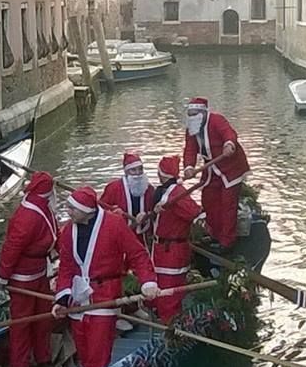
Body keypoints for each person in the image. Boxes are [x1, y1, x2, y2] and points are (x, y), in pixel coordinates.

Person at [52, 186, 158, 367]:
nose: (68, 212)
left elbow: (138, 254)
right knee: (84, 352)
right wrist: (62, 299)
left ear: (86, 211)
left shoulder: (114, 224)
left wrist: (148, 282)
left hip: (105, 295)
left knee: (98, 352)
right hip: (78, 298)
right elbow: (66, 268)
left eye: (72, 208)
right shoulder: (68, 231)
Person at [0, 171, 58, 367]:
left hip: (40, 272)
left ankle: (43, 358)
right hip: (23, 279)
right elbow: (12, 247)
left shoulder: (41, 208)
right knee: (22, 322)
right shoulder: (28, 216)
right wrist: (2, 276)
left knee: (43, 318)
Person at [183, 97, 249, 249]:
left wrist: (229, 144)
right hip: (211, 169)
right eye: (190, 114)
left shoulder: (217, 120)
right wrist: (188, 167)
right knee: (208, 200)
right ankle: (215, 234)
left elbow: (229, 133)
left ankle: (227, 241)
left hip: (230, 166)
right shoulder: (192, 128)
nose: (192, 117)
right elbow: (190, 149)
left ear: (203, 112)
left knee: (228, 204)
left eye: (194, 114)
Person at [150, 155, 203, 322]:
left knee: (169, 289)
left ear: (161, 174)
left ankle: (169, 325)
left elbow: (195, 213)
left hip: (170, 251)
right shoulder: (170, 192)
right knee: (167, 288)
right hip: (166, 249)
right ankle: (165, 316)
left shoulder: (175, 195)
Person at [101, 152, 155, 244]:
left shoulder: (149, 189)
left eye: (140, 169)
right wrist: (113, 214)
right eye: (133, 170)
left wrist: (146, 215)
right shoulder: (113, 188)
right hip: (119, 236)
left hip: (142, 236)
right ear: (126, 172)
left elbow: (154, 211)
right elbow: (101, 209)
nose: (137, 173)